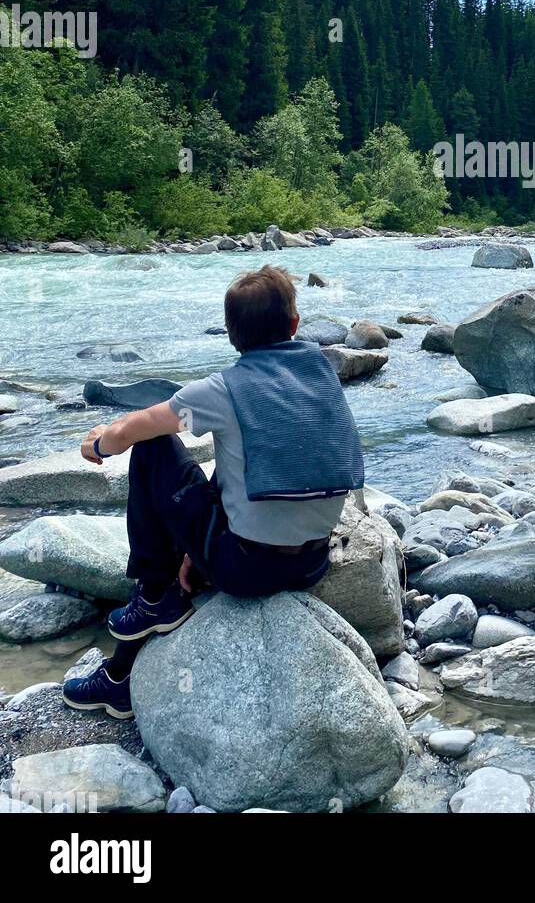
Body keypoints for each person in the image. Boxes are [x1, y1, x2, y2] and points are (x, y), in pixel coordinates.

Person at [63, 264, 364, 720]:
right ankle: (131, 657)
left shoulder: (224, 391)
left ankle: (145, 609)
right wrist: (196, 547)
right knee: (224, 466)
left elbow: (132, 429)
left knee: (154, 446)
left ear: (230, 335)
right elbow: (262, 463)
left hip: (246, 570)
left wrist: (98, 442)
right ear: (295, 324)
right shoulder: (319, 375)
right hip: (311, 564)